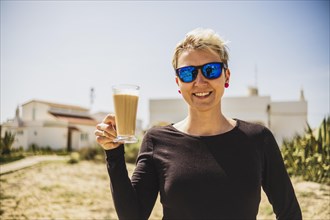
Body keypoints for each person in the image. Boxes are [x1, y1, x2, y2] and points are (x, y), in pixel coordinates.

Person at [95, 28, 302, 220]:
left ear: (226, 76)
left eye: (211, 70)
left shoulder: (258, 139)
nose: (200, 81)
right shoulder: (157, 140)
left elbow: (290, 213)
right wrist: (114, 154)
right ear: (178, 83)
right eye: (188, 73)